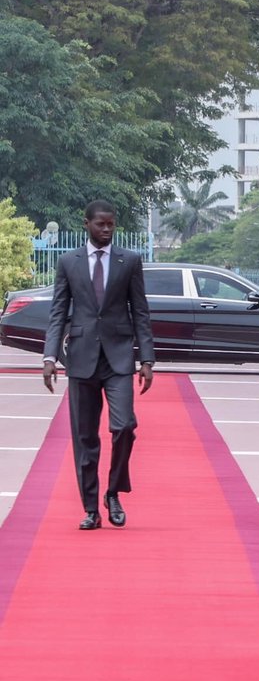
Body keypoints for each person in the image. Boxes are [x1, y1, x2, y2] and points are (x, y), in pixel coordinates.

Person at [42, 200, 155, 530]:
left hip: (119, 358)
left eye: (111, 225)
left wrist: (147, 358)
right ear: (87, 224)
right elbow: (58, 312)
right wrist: (49, 357)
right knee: (85, 439)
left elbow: (141, 312)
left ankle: (113, 491)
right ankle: (90, 508)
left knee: (124, 427)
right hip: (80, 359)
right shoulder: (68, 262)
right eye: (101, 224)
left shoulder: (129, 261)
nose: (107, 229)